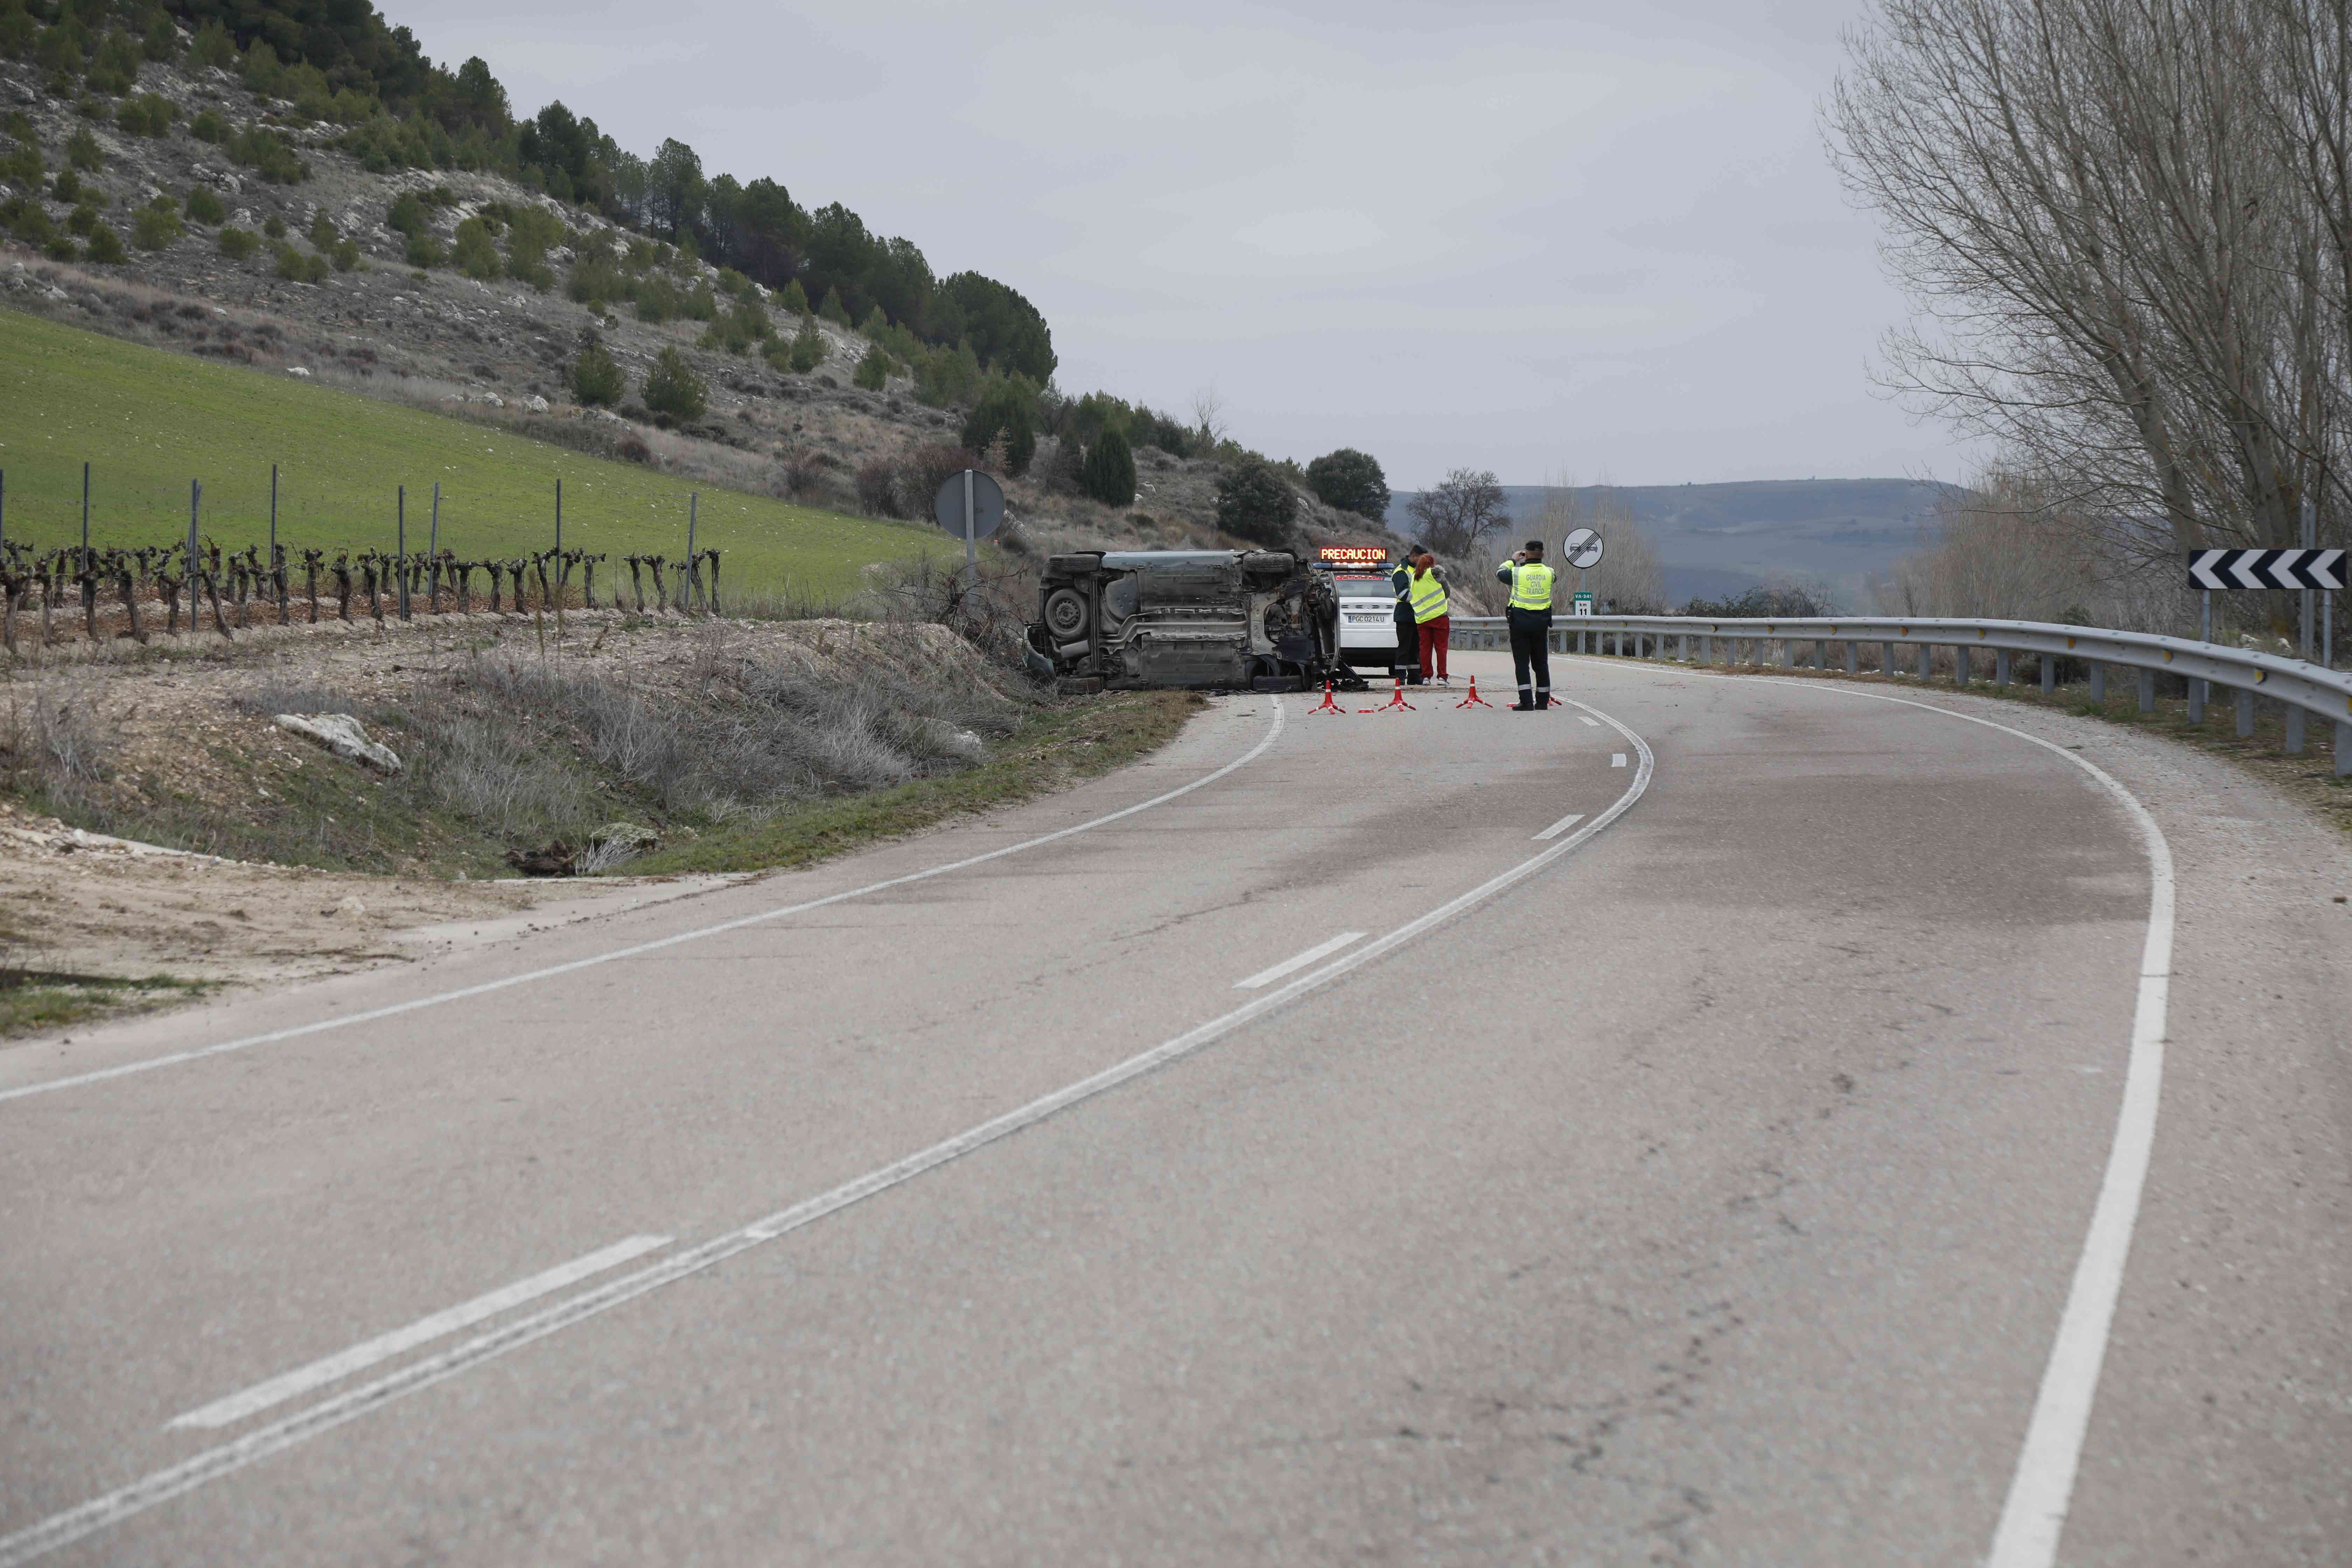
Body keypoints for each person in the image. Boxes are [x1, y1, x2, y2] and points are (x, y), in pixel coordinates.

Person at [1496, 538, 1556, 709]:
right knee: (1541, 663)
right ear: (1543, 554)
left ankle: (1527, 701)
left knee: (1522, 663)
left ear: (1526, 554)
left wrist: (1514, 559)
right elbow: (1554, 578)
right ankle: (1543, 702)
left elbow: (1500, 573)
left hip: (1520, 624)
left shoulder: (1516, 573)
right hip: (1541, 625)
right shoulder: (1550, 573)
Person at [1408, 551, 1451, 684]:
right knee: (1441, 648)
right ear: (1432, 564)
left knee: (1425, 649)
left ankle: (1426, 677)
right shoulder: (1435, 573)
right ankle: (1442, 677)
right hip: (1439, 617)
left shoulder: (1414, 577)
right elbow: (1447, 593)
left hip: (1422, 619)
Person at [1390, 544, 1424, 684]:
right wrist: (1421, 598)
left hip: (1416, 614)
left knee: (1415, 648)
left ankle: (1414, 676)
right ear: (1414, 556)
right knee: (1404, 647)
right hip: (1405, 612)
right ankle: (1400, 677)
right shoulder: (1401, 571)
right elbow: (1403, 595)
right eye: (1421, 559)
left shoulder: (1416, 570)